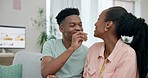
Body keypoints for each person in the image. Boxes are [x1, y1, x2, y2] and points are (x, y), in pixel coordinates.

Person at [83, 6, 148, 78]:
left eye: (99, 19)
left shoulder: (127, 54)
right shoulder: (93, 49)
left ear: (108, 24)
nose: (95, 24)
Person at [41, 8, 88, 78]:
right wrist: (72, 48)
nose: (78, 28)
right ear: (61, 29)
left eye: (80, 25)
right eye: (72, 25)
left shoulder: (86, 51)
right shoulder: (50, 45)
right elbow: (45, 72)